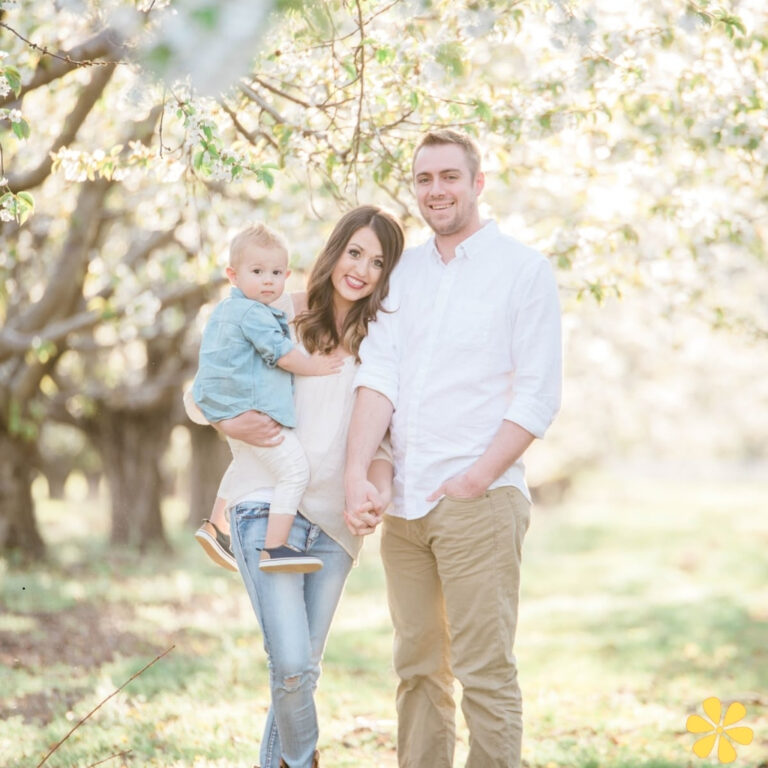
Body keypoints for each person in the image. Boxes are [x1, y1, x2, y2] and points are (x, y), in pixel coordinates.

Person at [344, 130, 562, 768]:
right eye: (423, 179)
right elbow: (378, 376)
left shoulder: (522, 270)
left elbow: (538, 395)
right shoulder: (400, 272)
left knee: (484, 672)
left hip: (479, 502)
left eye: (448, 177)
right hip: (403, 507)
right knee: (417, 670)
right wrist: (360, 475)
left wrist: (477, 478)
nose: (435, 190)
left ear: (477, 183)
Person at [188, 205, 404, 768]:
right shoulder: (276, 310)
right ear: (335, 252)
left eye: (377, 262)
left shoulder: (382, 341)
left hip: (334, 527)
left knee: (301, 671)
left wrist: (373, 493)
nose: (361, 268)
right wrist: (227, 421)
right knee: (288, 663)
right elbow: (203, 389)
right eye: (354, 252)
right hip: (265, 503)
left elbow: (382, 447)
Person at [192, 223, 344, 573]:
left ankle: (216, 525)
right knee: (294, 471)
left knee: (243, 461)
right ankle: (275, 547)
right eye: (257, 272)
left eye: (276, 273)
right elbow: (281, 353)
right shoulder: (254, 313)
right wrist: (314, 366)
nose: (268, 281)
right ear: (232, 275)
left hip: (234, 408)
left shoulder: (227, 312)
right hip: (253, 411)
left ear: (287, 275)